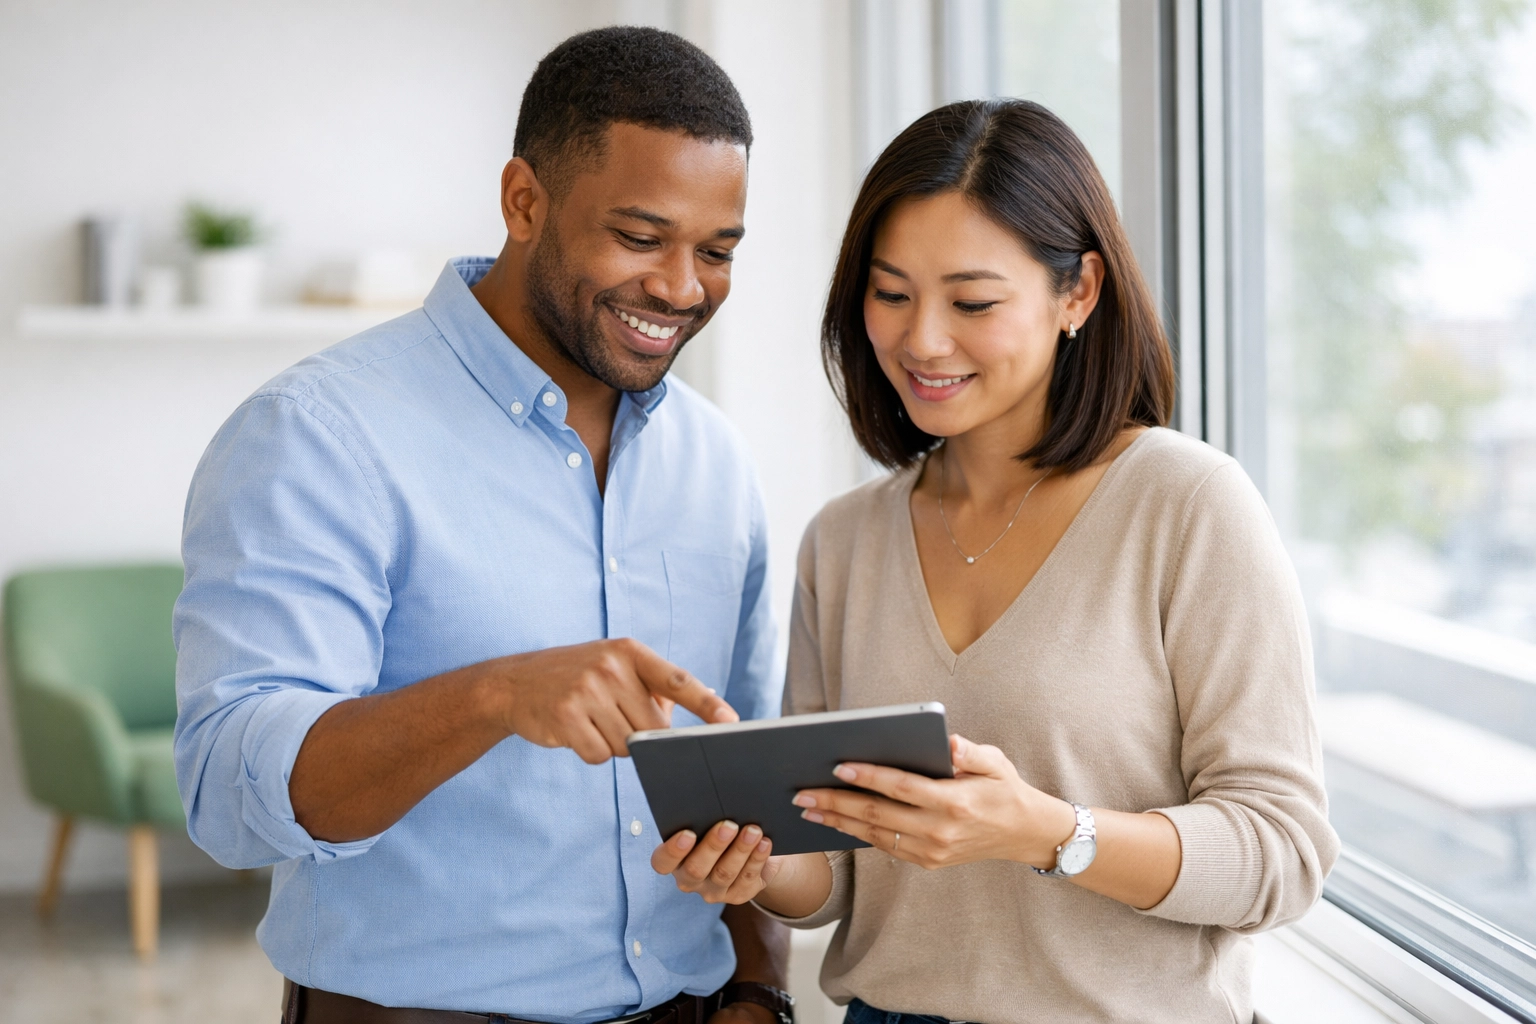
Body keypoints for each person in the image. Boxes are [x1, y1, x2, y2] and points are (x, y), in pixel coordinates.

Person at [651, 98, 1339, 1023]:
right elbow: (839, 882)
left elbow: (1283, 853)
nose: (922, 340)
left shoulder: (1187, 505)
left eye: (972, 302)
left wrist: (1053, 834)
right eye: (891, 294)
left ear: (1078, 293)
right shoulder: (845, 538)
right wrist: (755, 861)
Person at [174, 26, 796, 1024]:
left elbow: (753, 769)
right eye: (640, 237)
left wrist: (760, 988)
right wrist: (497, 695)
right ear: (524, 202)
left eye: (716, 250)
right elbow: (226, 794)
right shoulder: (321, 434)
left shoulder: (716, 462)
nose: (682, 288)